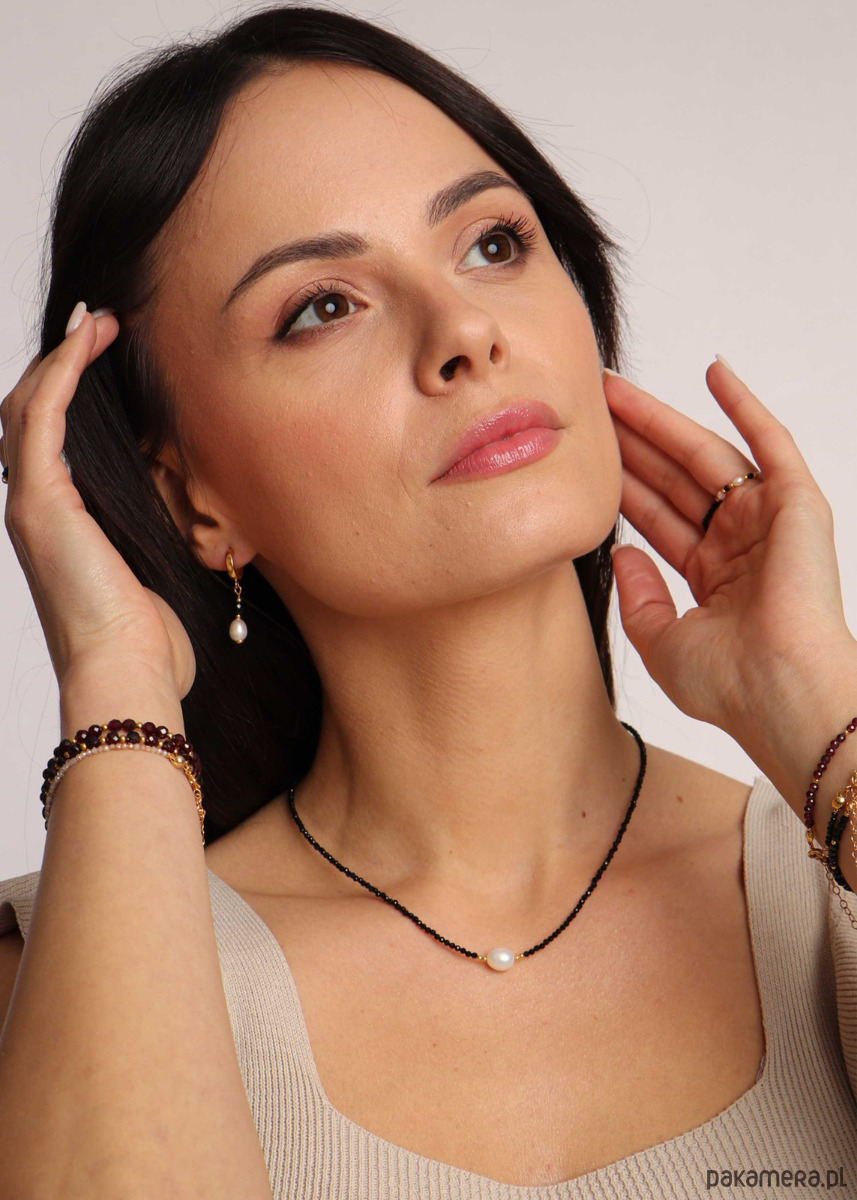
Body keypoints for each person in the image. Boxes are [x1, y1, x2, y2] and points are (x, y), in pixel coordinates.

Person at [0, 5, 854, 1197]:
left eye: (493, 243)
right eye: (322, 306)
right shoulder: (51, 980)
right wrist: (113, 679)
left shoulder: (833, 881)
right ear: (190, 497)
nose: (464, 331)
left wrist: (820, 712)